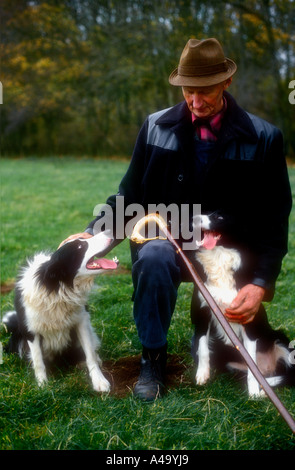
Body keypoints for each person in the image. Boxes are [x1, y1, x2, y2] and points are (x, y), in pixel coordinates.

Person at [61, 38, 292, 401]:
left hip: (227, 258)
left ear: (227, 83)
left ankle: (231, 342)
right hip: (167, 246)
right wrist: (93, 235)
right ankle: (152, 358)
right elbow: (130, 197)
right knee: (152, 255)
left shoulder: (264, 138)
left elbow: (274, 219)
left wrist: (260, 282)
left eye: (206, 91)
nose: (195, 101)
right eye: (188, 90)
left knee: (233, 356)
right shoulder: (154, 127)